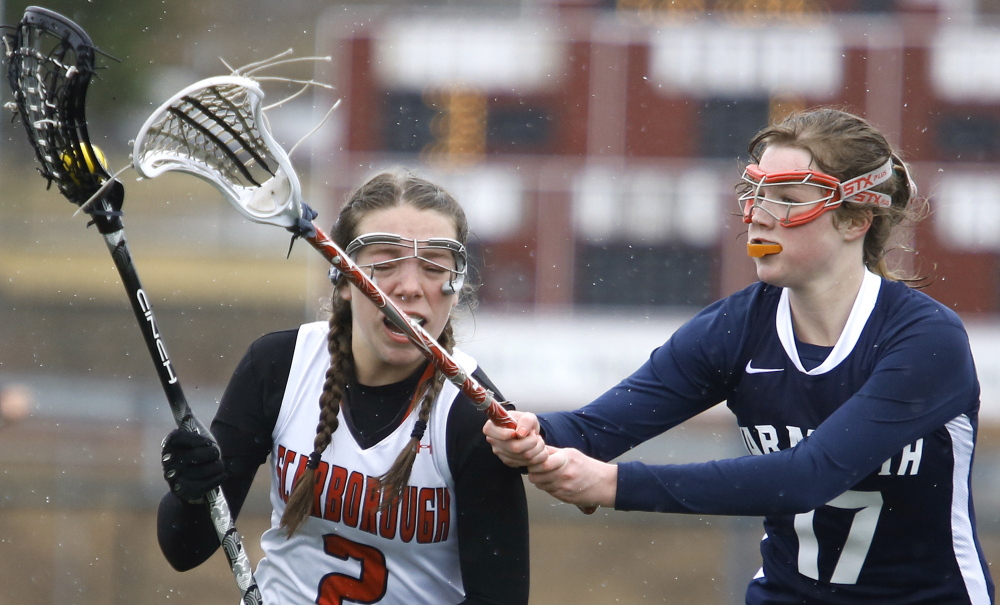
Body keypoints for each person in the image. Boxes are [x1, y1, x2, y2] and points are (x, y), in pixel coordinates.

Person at [484, 108, 994, 604]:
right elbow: (593, 430)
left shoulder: (926, 339)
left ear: (856, 219)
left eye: (788, 200)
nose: (758, 217)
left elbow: (807, 477)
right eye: (756, 195)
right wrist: (533, 433)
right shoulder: (737, 327)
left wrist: (612, 483)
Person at [158, 170, 530, 604]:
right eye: (385, 263)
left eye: (433, 266)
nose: (409, 287)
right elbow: (184, 550)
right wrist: (191, 491)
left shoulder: (474, 412)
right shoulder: (278, 366)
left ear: (456, 284)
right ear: (346, 280)